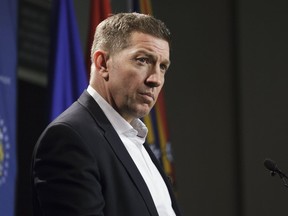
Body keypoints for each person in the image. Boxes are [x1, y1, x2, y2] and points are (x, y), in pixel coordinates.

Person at [31, 12, 182, 216]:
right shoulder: (69, 139)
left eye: (162, 66)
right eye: (143, 60)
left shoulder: (136, 139)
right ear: (102, 63)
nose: (155, 79)